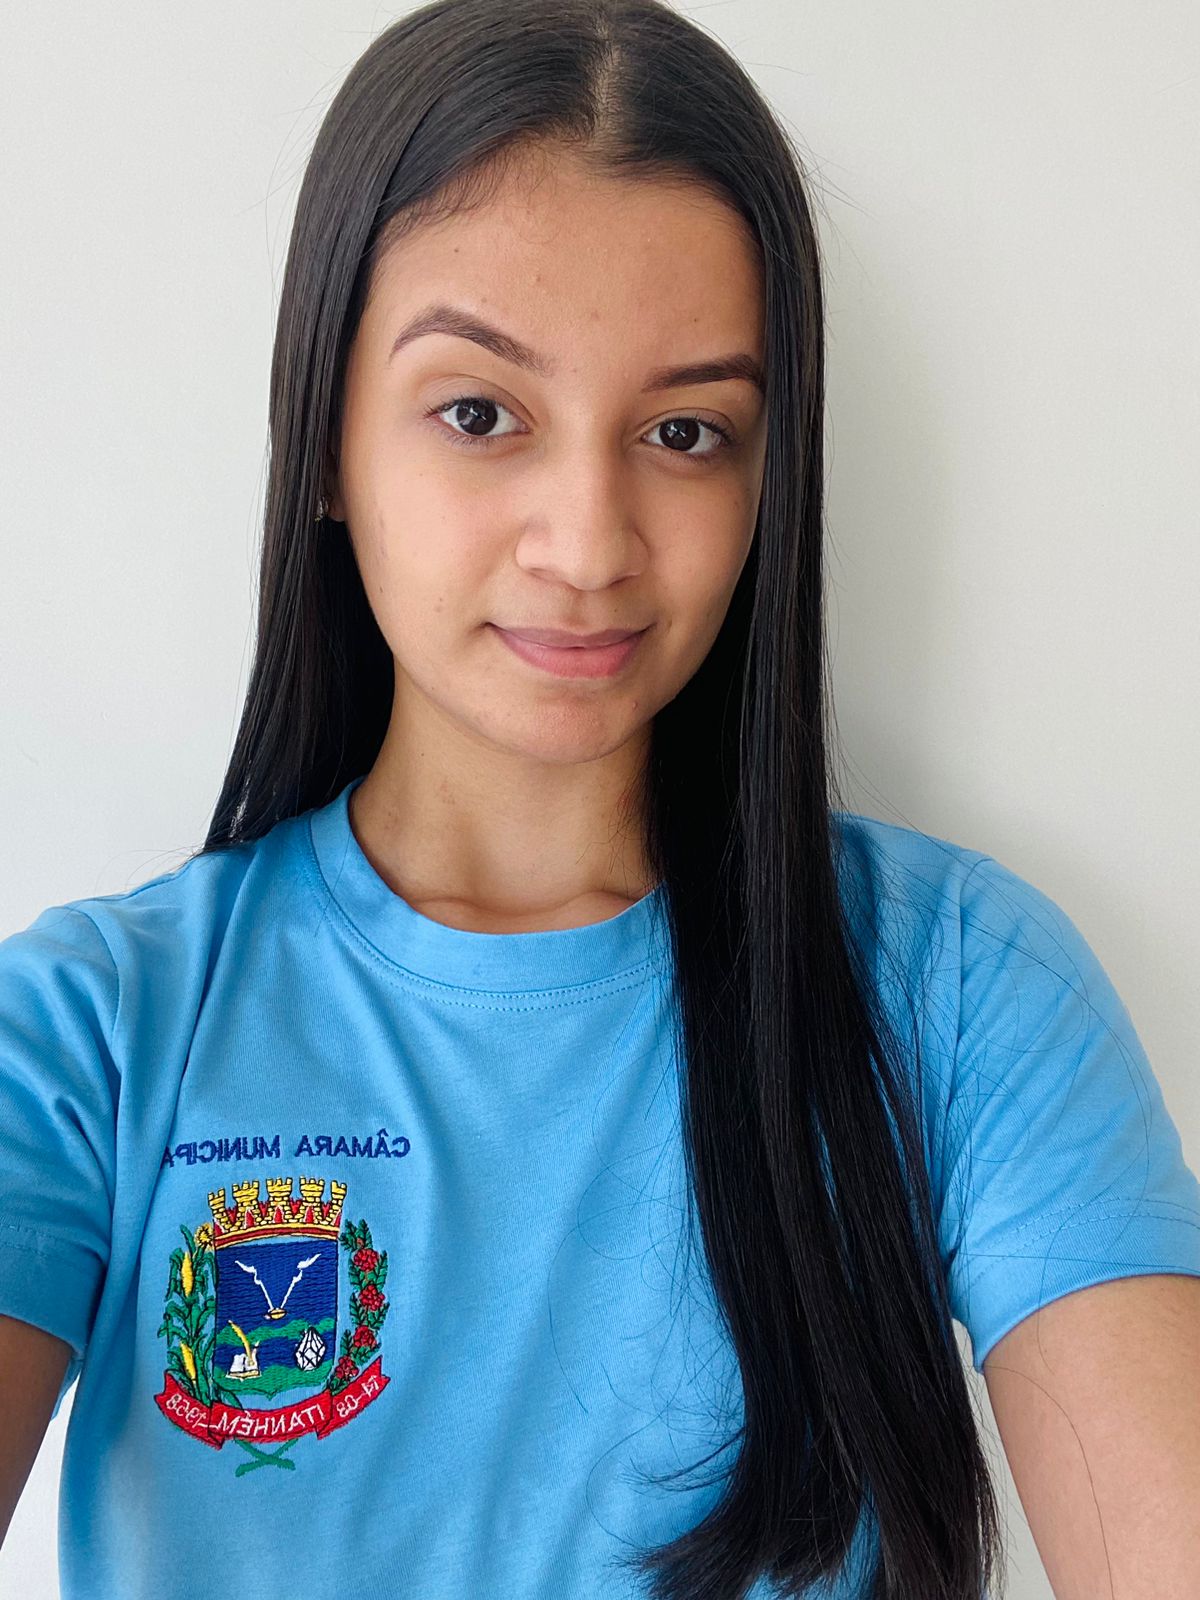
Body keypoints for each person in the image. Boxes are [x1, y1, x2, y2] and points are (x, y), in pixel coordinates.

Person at [2, 2, 1199, 1596]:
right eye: (479, 413)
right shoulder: (89, 1037)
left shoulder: (964, 991)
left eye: (686, 433)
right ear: (327, 439)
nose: (588, 541)